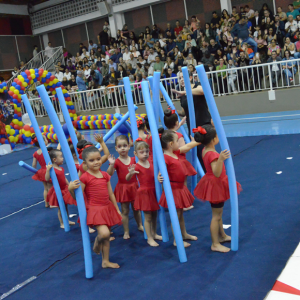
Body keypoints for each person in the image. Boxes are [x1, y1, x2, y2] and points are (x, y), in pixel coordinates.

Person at [68, 144, 122, 269]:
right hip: (95, 209)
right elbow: (78, 197)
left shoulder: (104, 175)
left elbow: (110, 194)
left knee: (107, 236)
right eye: (91, 160)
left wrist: (117, 208)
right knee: (104, 234)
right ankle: (97, 242)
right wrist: (71, 189)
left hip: (107, 207)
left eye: (98, 159)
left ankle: (105, 261)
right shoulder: (85, 177)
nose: (96, 162)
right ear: (85, 163)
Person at [193, 124, 242, 253]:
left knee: (218, 214)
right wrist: (220, 159)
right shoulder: (212, 154)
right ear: (214, 139)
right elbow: (216, 172)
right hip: (215, 184)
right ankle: (215, 243)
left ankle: (222, 235)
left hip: (213, 184)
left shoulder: (205, 150)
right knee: (216, 216)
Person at [157, 129, 200, 247]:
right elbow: (161, 171)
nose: (179, 143)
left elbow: (186, 147)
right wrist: (159, 176)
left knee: (180, 213)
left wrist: (198, 141)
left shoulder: (174, 153)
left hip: (180, 188)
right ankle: (177, 240)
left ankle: (184, 234)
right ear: (171, 144)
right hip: (173, 190)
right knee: (176, 216)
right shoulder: (165, 157)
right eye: (177, 141)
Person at [171, 72, 211, 171]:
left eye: (183, 77)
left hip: (204, 125)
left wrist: (184, 92)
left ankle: (213, 174)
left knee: (207, 153)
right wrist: (174, 110)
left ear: (190, 77)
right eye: (179, 78)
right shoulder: (182, 95)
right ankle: (207, 176)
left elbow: (202, 91)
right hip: (193, 128)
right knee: (199, 155)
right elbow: (184, 112)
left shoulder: (197, 86)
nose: (181, 79)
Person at [106, 135, 143, 239]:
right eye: (120, 146)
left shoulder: (133, 159)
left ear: (129, 146)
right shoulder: (116, 162)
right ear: (116, 148)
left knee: (136, 209)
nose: (122, 148)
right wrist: (111, 165)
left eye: (125, 146)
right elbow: (109, 174)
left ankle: (140, 225)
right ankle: (126, 231)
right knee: (125, 211)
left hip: (134, 187)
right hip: (123, 188)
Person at [126, 140, 162, 247]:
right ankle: (149, 238)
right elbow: (127, 179)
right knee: (148, 217)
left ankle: (154, 233)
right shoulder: (136, 166)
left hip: (154, 191)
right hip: (144, 193)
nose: (145, 154)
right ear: (135, 154)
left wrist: (158, 177)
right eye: (142, 152)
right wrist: (130, 173)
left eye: (147, 151)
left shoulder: (151, 163)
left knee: (155, 215)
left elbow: (156, 174)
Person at [45, 149, 76, 228]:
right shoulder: (52, 170)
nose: (63, 158)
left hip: (64, 189)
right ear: (54, 159)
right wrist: (48, 170)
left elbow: (64, 178)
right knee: (61, 208)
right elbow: (47, 179)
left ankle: (67, 220)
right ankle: (62, 223)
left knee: (65, 207)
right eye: (61, 157)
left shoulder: (61, 168)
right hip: (58, 191)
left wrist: (69, 185)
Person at [31, 134, 52, 207]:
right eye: (46, 139)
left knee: (45, 188)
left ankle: (46, 203)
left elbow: (34, 165)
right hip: (48, 170)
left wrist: (35, 171)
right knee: (50, 187)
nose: (47, 140)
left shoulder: (36, 153)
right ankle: (51, 202)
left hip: (41, 171)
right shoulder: (47, 151)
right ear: (43, 142)